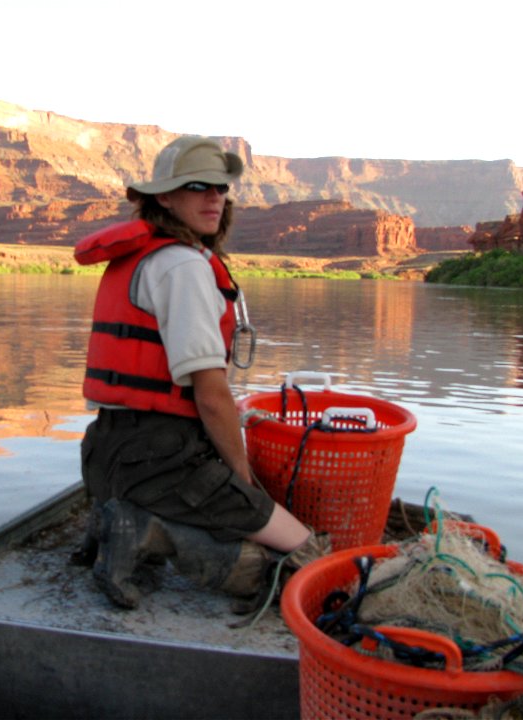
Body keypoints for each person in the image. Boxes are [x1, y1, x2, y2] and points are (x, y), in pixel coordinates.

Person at [73, 136, 328, 610]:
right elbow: (212, 398)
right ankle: (146, 534)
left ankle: (130, 522)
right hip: (160, 459)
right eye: (197, 186)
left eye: (220, 187)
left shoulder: (141, 257)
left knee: (250, 519)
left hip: (106, 455)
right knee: (309, 559)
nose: (214, 197)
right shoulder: (183, 267)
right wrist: (242, 478)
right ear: (164, 197)